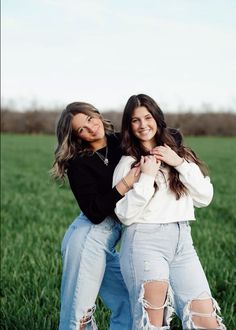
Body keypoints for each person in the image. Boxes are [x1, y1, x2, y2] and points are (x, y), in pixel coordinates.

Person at [112, 94, 226, 330]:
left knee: (205, 319)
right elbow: (123, 214)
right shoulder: (127, 163)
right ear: (129, 125)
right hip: (144, 242)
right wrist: (146, 177)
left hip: (183, 241)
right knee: (152, 323)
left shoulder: (179, 156)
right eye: (135, 120)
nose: (143, 125)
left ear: (157, 118)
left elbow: (205, 197)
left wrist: (178, 163)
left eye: (147, 117)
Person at [51, 101, 140, 330]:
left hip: (110, 237)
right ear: (76, 136)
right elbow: (94, 212)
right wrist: (125, 183)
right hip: (87, 237)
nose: (91, 128)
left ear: (97, 115)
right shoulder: (78, 162)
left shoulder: (123, 141)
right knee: (79, 314)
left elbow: (170, 135)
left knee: (128, 303)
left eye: (90, 119)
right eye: (82, 128)